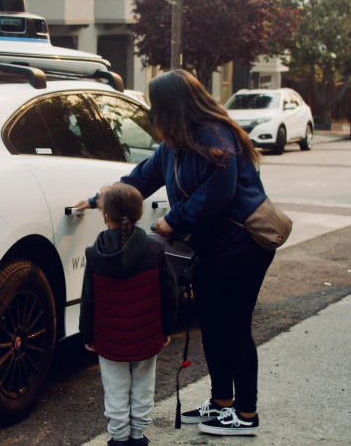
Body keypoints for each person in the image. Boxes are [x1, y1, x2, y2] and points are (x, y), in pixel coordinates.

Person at [76, 69, 276, 436]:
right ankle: (222, 403)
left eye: (156, 107)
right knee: (213, 325)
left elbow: (220, 193)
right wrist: (95, 200)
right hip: (214, 247)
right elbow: (139, 180)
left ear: (173, 106)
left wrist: (174, 220)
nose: (153, 115)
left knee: (234, 327)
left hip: (243, 245)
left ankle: (246, 415)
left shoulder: (216, 137)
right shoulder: (174, 146)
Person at [79, 182, 179, 446]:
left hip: (109, 339)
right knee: (143, 387)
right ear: (138, 214)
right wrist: (166, 329)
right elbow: (169, 293)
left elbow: (88, 299)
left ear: (105, 215)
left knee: (115, 390)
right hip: (146, 335)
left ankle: (119, 437)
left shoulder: (95, 254)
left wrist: (87, 334)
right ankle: (138, 435)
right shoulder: (155, 249)